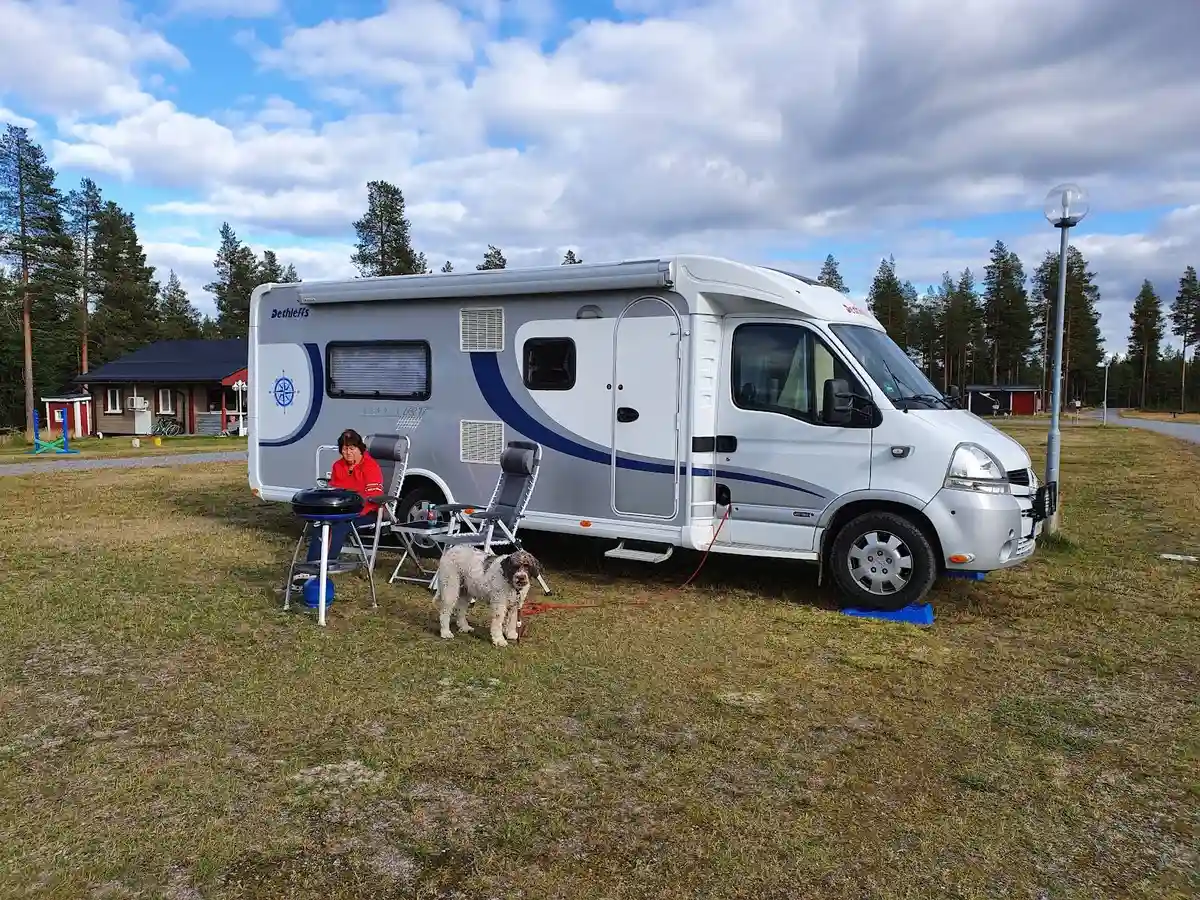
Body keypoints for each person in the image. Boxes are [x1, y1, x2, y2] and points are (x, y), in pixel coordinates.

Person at [305, 428, 385, 564]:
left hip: (365, 512)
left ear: (360, 448)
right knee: (321, 524)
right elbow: (335, 490)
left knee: (338, 527)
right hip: (342, 511)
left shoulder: (370, 467)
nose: (347, 453)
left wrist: (352, 511)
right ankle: (310, 566)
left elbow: (374, 496)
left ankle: (326, 566)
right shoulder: (338, 466)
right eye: (344, 449)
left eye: (351, 448)